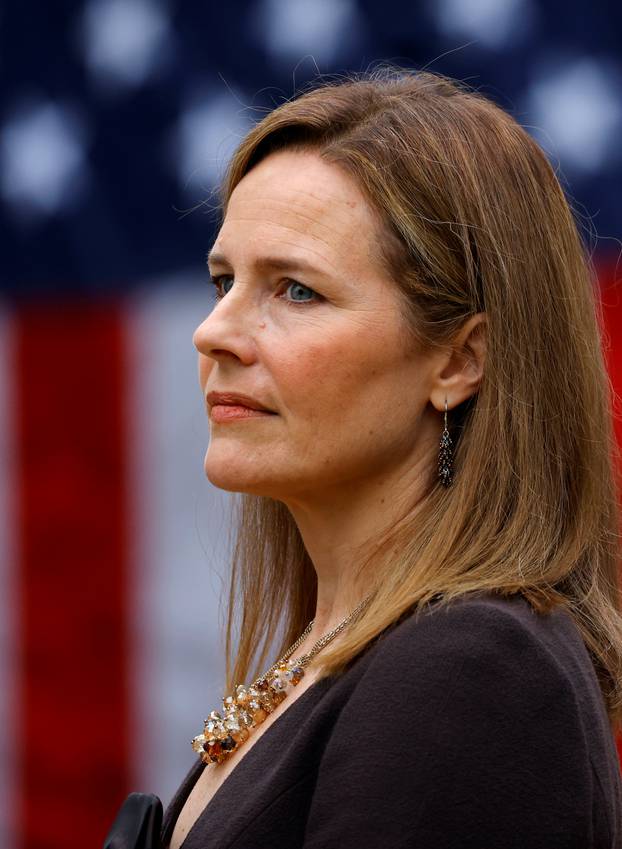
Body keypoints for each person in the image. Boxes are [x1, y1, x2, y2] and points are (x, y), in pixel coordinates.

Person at [132, 67, 622, 848]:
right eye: (223, 280)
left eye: (296, 290)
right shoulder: (343, 652)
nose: (214, 331)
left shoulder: (472, 675)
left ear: (460, 361)